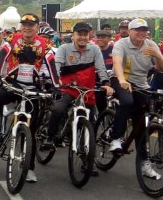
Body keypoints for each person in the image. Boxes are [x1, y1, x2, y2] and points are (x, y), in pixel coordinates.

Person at [0, 13, 49, 182]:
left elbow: (51, 63)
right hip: (13, 84)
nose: (27, 27)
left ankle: (29, 168)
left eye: (31, 25)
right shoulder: (12, 38)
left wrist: (54, 86)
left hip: (32, 88)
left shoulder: (44, 43)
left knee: (31, 131)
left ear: (37, 27)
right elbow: (2, 57)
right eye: (24, 24)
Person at [110, 18, 163, 180]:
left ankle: (144, 163)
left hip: (142, 85)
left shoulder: (151, 44)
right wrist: (122, 80)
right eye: (137, 30)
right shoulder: (121, 44)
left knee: (143, 122)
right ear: (129, 31)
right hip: (121, 80)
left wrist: (157, 56)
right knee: (127, 101)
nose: (141, 33)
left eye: (144, 30)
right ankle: (116, 138)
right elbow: (117, 63)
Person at [44, 22, 112, 157]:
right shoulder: (64, 48)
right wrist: (57, 82)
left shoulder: (95, 49)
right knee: (58, 109)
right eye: (79, 34)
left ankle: (87, 158)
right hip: (68, 89)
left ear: (89, 36)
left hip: (87, 90)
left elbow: (101, 68)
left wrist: (106, 83)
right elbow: (56, 66)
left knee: (90, 124)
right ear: (73, 36)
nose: (82, 37)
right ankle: (50, 137)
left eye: (85, 34)